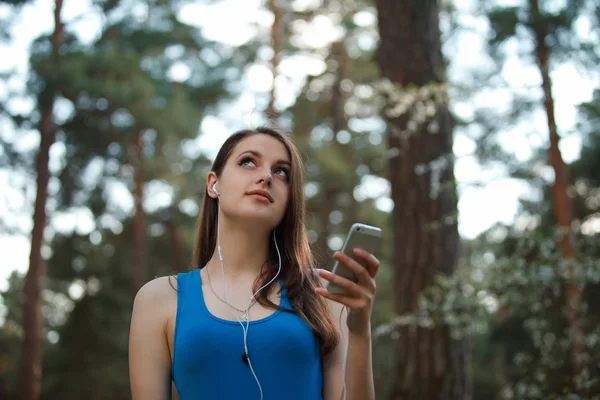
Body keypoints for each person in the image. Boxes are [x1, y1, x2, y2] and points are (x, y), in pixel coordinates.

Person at [128, 127, 380, 400]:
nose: (266, 176)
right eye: (248, 161)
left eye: (281, 171)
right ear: (214, 184)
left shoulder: (322, 293)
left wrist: (359, 331)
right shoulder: (159, 299)